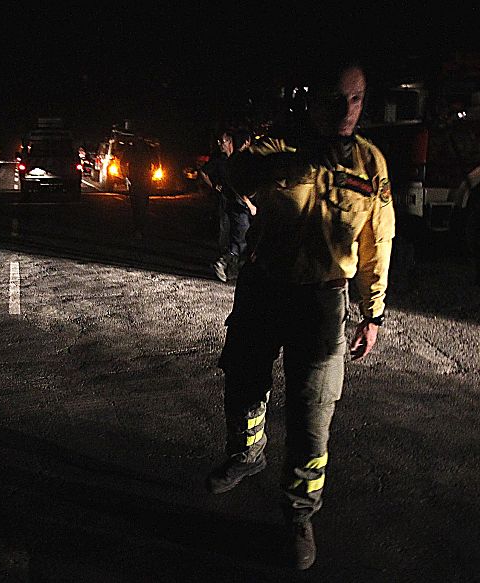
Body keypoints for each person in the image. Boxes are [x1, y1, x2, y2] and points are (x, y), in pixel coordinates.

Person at [204, 60, 395, 570]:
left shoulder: (371, 165)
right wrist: (298, 164)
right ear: (312, 102)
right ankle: (247, 453)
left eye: (355, 99)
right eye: (336, 99)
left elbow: (378, 242)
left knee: (313, 415)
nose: (346, 111)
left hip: (323, 299)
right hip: (264, 287)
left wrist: (372, 313)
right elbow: (236, 178)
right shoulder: (278, 147)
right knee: (243, 380)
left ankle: (298, 515)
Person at [204, 129, 256, 281]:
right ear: (246, 142)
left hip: (234, 202)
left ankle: (233, 272)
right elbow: (238, 185)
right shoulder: (239, 160)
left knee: (237, 236)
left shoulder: (235, 159)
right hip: (238, 203)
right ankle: (222, 262)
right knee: (240, 239)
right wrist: (249, 203)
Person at [123, 136, 155, 239]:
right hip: (139, 179)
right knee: (139, 205)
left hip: (140, 180)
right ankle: (139, 228)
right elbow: (123, 163)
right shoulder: (145, 149)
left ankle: (139, 228)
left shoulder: (142, 149)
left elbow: (123, 163)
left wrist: (126, 176)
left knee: (138, 205)